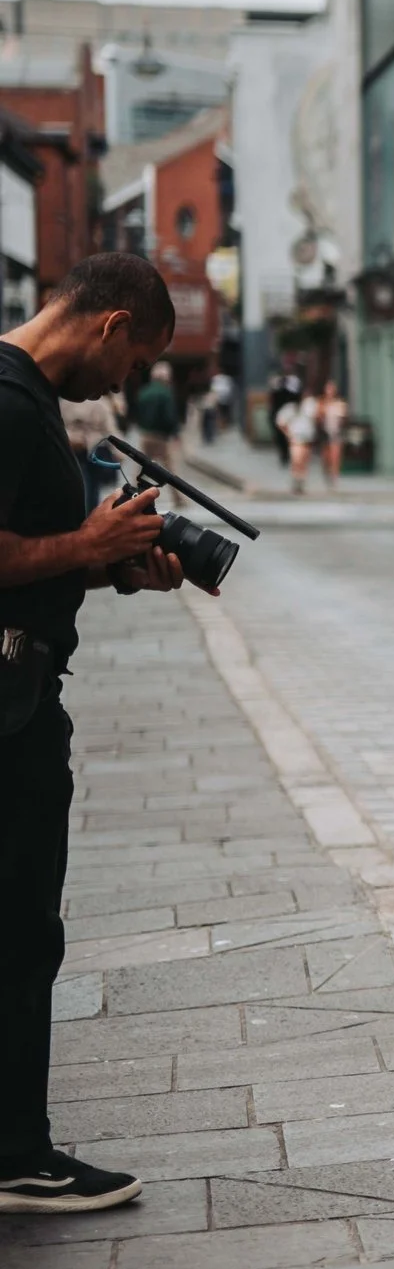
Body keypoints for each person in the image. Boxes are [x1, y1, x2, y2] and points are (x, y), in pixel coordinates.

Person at [0, 253, 193, 1215]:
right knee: (21, 929)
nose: (124, 382)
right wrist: (87, 545)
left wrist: (115, 568)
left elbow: (31, 558)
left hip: (25, 690)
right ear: (111, 326)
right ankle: (17, 1156)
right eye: (134, 360)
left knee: (22, 926)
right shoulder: (6, 399)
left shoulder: (27, 398)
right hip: (7, 707)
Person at [130, 361, 183, 508]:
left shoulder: (144, 392)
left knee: (140, 469)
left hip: (146, 435)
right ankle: (179, 500)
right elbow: (169, 417)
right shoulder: (166, 393)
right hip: (161, 437)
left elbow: (136, 414)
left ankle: (131, 495)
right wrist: (175, 433)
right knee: (170, 470)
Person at [277, 386, 321, 496]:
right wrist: (288, 434)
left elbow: (317, 416)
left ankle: (301, 483)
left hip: (307, 437)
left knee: (304, 462)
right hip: (296, 438)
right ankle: (296, 482)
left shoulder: (310, 406)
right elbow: (281, 422)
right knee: (297, 460)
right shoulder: (290, 408)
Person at [316, 381, 350, 488]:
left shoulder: (340, 403)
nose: (330, 391)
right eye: (328, 389)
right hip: (325, 432)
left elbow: (344, 418)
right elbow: (317, 418)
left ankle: (334, 478)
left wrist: (342, 419)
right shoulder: (321, 402)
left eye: (332, 389)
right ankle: (327, 473)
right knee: (326, 457)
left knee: (336, 456)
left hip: (336, 432)